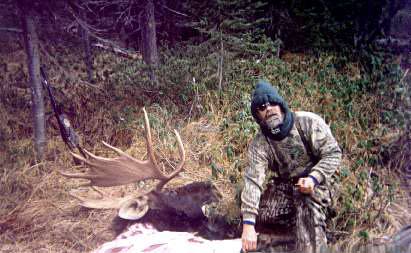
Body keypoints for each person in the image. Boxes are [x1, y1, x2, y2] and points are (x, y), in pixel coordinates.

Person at [241, 80, 342, 253]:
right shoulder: (260, 143)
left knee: (305, 199)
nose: (270, 109)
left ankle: (313, 244)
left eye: (273, 103)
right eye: (263, 107)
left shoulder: (308, 122)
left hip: (322, 182)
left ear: (280, 105)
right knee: (262, 214)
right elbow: (253, 181)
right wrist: (248, 225)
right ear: (257, 115)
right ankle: (281, 242)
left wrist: (313, 178)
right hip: (288, 186)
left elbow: (333, 154)